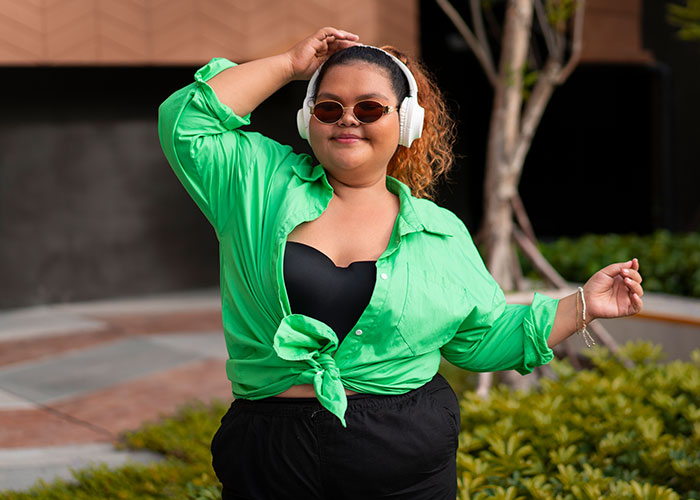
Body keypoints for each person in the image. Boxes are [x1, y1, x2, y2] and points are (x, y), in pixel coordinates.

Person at [158, 27, 644, 500]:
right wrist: (288, 65)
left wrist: (585, 304)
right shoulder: (255, 184)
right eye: (329, 108)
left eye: (369, 107)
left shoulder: (439, 231)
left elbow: (484, 339)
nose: (348, 119)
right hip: (269, 455)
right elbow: (187, 121)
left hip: (403, 453)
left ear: (407, 122)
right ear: (309, 120)